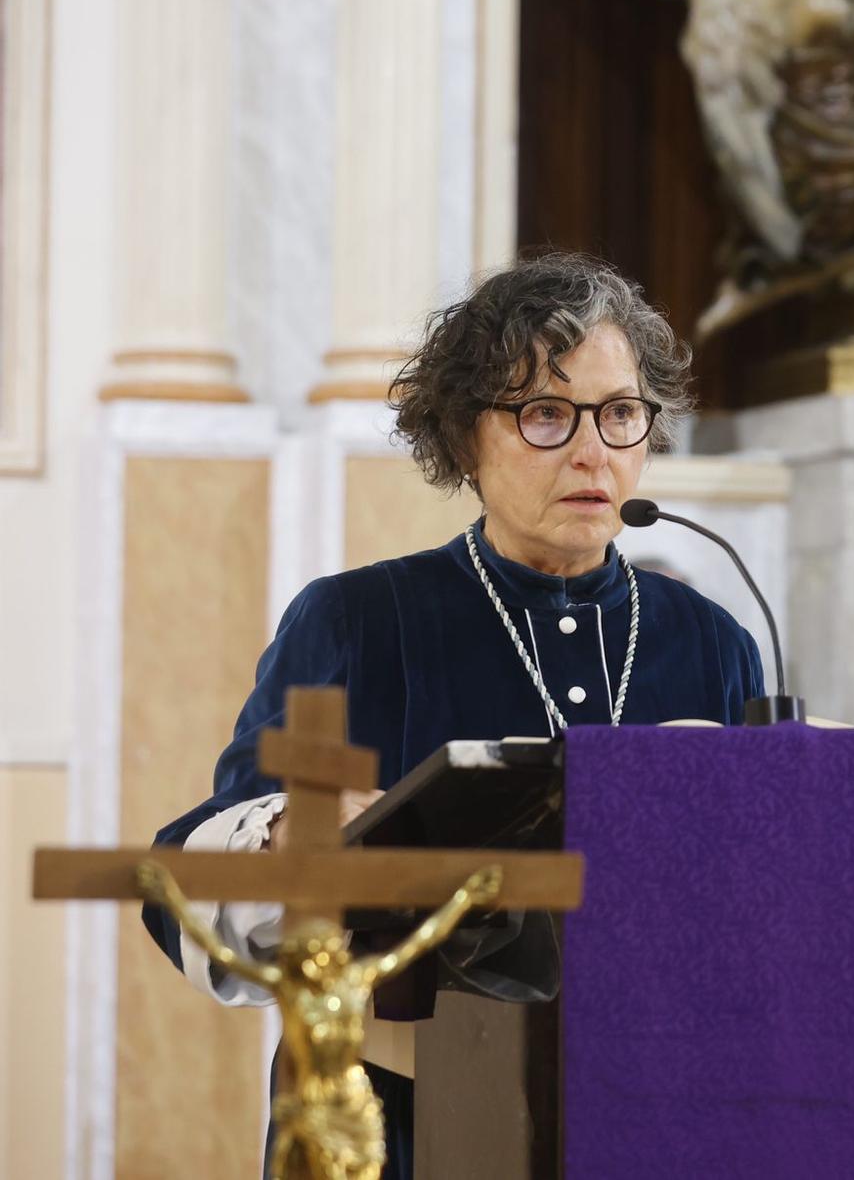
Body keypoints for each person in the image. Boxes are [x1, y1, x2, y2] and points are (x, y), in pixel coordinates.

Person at [140, 253, 764, 1179]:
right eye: (548, 414)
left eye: (622, 414)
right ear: (465, 437)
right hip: (399, 1119)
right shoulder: (359, 620)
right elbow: (192, 879)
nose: (595, 451)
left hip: (656, 1114)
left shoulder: (711, 640)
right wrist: (291, 841)